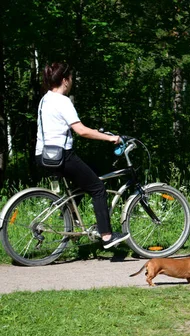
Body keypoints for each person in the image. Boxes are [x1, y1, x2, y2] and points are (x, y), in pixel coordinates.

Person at [36, 62, 130, 249]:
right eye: (70, 78)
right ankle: (106, 236)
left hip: (42, 155)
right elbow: (81, 130)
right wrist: (109, 138)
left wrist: (95, 131)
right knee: (97, 188)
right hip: (61, 156)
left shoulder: (45, 99)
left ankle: (72, 220)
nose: (71, 82)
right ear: (64, 80)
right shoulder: (63, 101)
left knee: (89, 174)